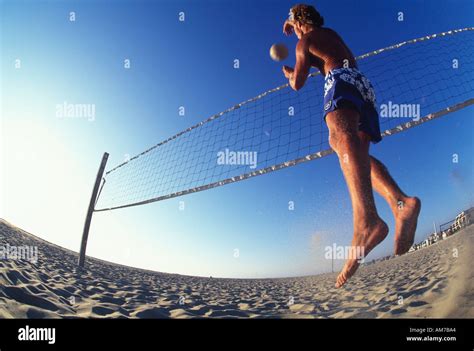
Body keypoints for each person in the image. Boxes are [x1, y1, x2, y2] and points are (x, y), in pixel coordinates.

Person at [282, 4, 421, 288]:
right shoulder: (330, 34)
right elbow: (321, 55)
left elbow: (298, 82)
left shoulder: (305, 42)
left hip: (340, 81)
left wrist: (288, 73)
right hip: (363, 86)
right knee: (355, 153)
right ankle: (400, 202)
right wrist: (294, 25)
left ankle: (367, 221)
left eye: (293, 24)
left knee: (339, 138)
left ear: (299, 23)